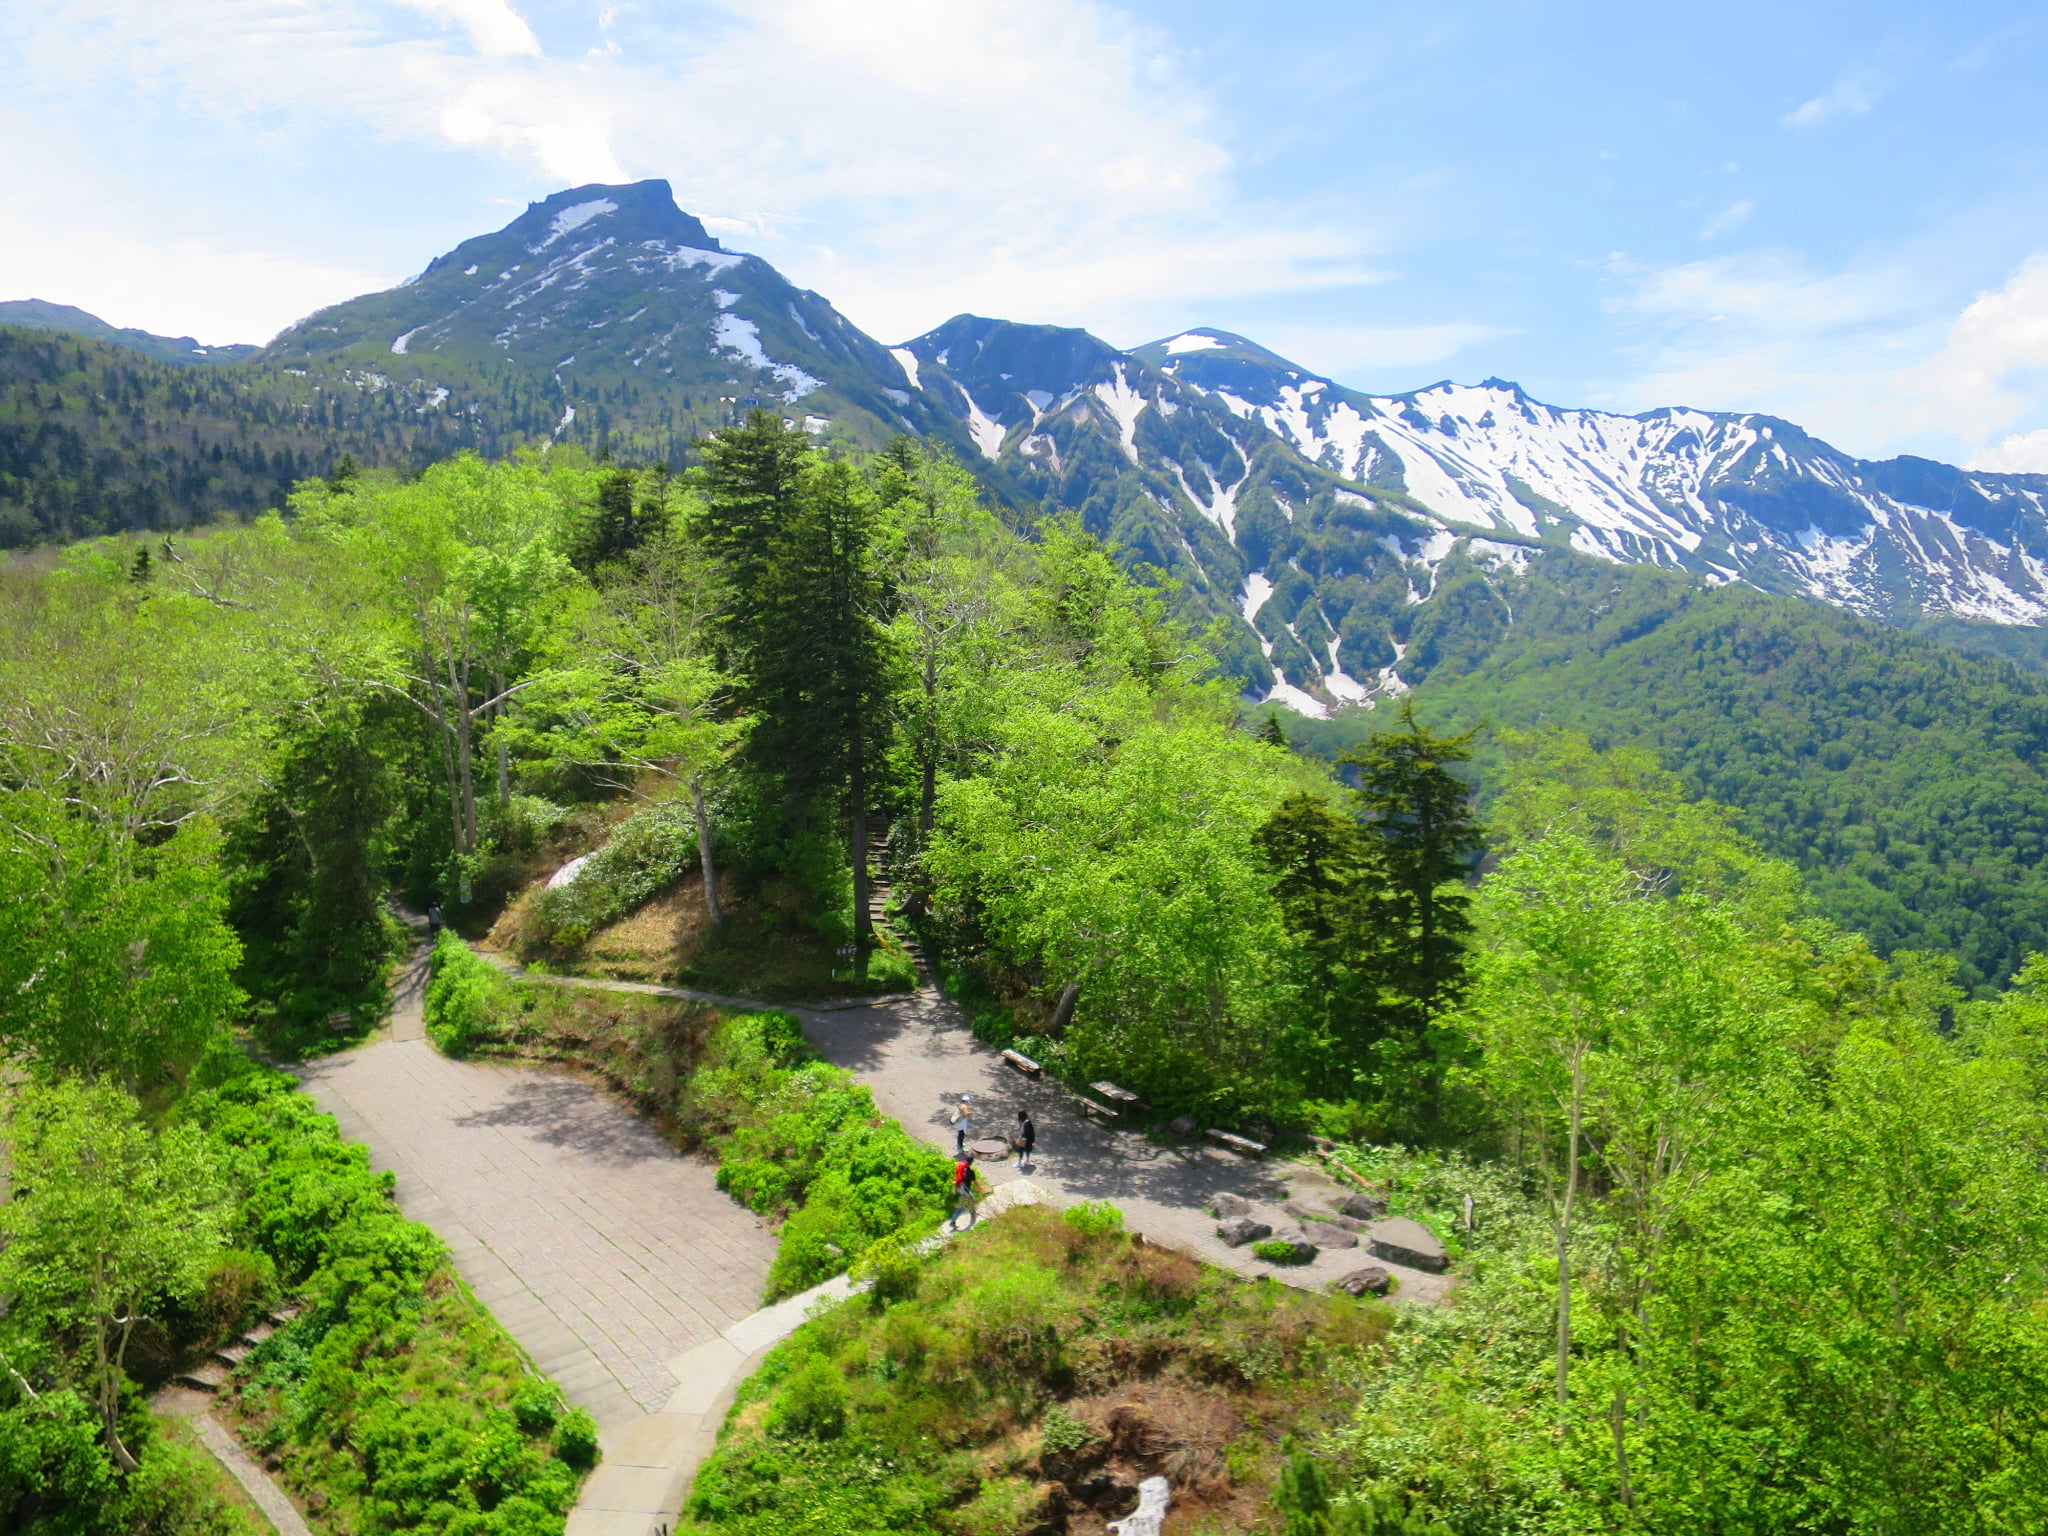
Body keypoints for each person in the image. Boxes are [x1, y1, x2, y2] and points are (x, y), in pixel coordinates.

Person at [948, 1155, 976, 1230]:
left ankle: (973, 1214)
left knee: (972, 1198)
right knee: (962, 1207)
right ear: (971, 1163)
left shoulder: (962, 1168)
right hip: (965, 1192)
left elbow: (958, 1179)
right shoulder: (970, 1172)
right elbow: (975, 1183)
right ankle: (952, 1221)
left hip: (961, 1189)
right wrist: (981, 1190)